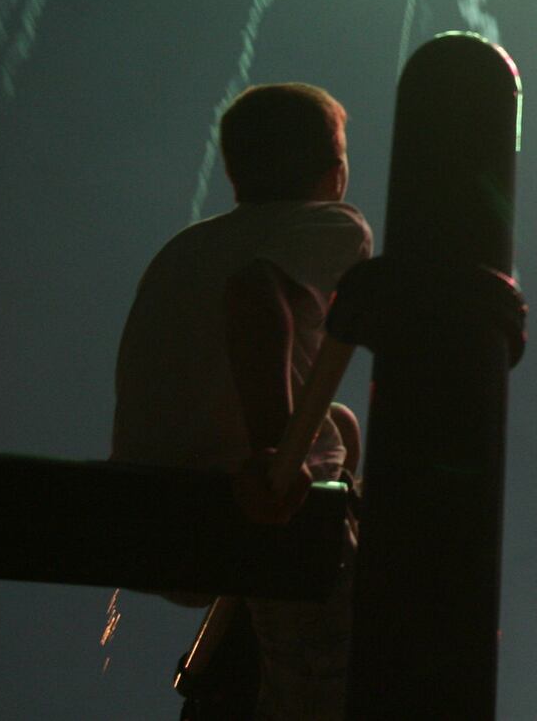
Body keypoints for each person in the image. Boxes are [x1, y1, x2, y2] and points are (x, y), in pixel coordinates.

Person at [113, 82, 372, 719]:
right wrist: (272, 455)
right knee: (344, 678)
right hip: (253, 512)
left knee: (341, 425)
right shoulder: (331, 225)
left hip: (147, 522)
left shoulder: (182, 248)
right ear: (333, 171)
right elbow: (256, 297)